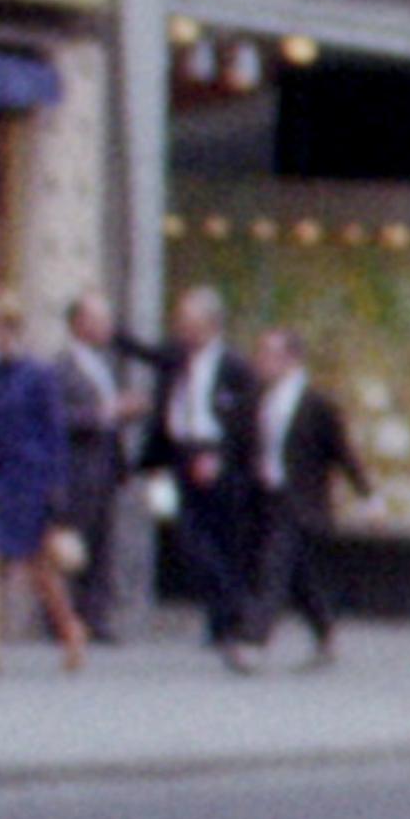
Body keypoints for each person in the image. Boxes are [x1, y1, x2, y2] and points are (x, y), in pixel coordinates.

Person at [0, 290, 84, 677]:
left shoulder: (39, 374)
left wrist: (57, 490)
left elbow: (55, 434)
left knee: (38, 568)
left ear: (7, 328)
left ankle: (70, 628)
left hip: (30, 478)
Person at [140, 285, 261, 667]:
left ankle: (228, 616)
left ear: (210, 324)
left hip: (217, 459)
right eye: (180, 323)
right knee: (189, 540)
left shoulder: (234, 366)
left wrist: (219, 457)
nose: (182, 330)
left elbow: (244, 422)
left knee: (221, 541)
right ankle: (223, 612)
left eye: (189, 323)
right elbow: (145, 355)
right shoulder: (178, 359)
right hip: (181, 455)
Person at [243, 327, 369, 669]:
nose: (262, 361)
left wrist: (366, 493)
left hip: (301, 501)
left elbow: (342, 451)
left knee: (273, 566)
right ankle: (325, 631)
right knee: (297, 577)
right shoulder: (261, 397)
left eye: (270, 354)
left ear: (291, 360)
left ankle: (254, 641)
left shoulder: (316, 403)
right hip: (268, 496)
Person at [53, 291, 146, 642]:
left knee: (104, 544)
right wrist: (107, 412)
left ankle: (96, 616)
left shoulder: (104, 363)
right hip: (79, 467)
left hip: (106, 465)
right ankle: (67, 617)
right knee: (75, 545)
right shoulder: (63, 367)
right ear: (79, 324)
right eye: (99, 320)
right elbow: (61, 416)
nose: (108, 327)